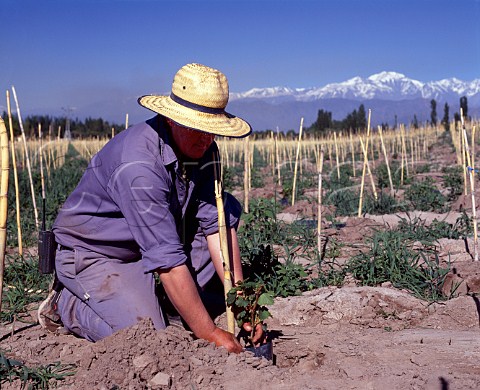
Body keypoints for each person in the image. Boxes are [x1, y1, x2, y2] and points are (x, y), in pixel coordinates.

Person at [37, 63, 263, 353]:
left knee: (211, 300)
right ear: (172, 120)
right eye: (198, 129)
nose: (207, 139)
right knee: (148, 337)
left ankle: (167, 301)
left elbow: (215, 225)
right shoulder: (138, 166)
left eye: (212, 130)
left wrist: (242, 303)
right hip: (97, 254)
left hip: (151, 244)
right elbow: (167, 261)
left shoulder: (205, 150)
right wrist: (209, 333)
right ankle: (66, 304)